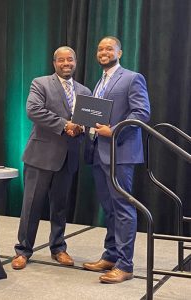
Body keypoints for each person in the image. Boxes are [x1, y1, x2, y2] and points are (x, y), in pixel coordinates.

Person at [11, 46, 91, 270]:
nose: (67, 63)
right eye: (62, 60)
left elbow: (89, 119)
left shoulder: (84, 90)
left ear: (76, 62)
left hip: (69, 158)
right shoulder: (41, 83)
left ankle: (58, 248)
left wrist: (83, 127)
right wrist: (65, 125)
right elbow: (33, 110)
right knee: (31, 206)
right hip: (41, 156)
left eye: (70, 60)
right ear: (54, 63)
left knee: (60, 206)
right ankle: (23, 250)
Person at [83, 36, 150, 283]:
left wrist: (114, 130)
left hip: (120, 153)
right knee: (109, 209)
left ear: (119, 53)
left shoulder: (132, 78)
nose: (103, 52)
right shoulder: (99, 82)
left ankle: (125, 265)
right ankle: (110, 256)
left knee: (123, 209)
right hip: (98, 153)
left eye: (109, 48)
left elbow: (141, 113)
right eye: (100, 48)